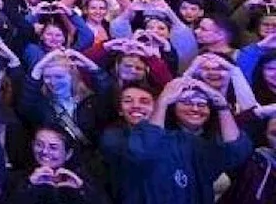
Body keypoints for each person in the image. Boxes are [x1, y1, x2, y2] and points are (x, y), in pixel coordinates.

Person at [100, 78, 251, 204]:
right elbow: (144, 151)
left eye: (145, 101)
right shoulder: (115, 137)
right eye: (128, 101)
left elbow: (235, 154)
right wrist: (164, 100)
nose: (136, 105)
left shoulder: (187, 141)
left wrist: (222, 105)